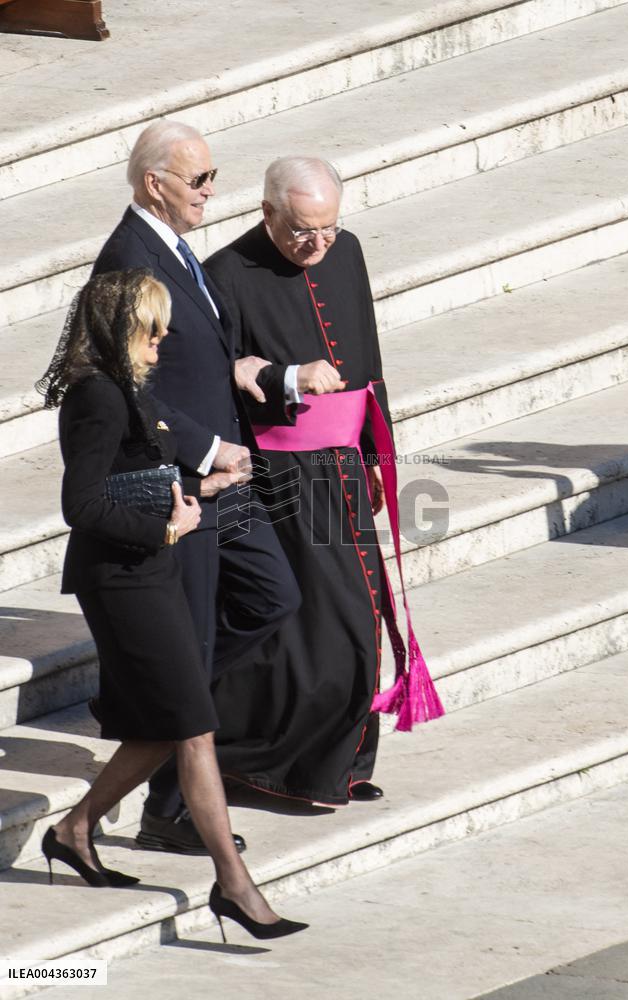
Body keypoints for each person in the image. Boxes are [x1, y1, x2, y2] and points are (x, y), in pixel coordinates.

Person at [35, 269, 307, 940]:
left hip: (149, 573)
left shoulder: (127, 390)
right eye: (151, 330)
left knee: (162, 726)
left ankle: (74, 830)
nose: (161, 343)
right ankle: (234, 887)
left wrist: (200, 487)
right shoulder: (97, 396)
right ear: (121, 330)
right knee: (192, 726)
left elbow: (137, 478)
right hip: (122, 580)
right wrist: (163, 527)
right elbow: (84, 503)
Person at [92, 121, 301, 854]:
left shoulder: (173, 248)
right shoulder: (127, 257)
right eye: (200, 179)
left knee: (273, 595)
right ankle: (169, 806)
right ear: (156, 183)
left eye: (213, 176)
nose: (212, 192)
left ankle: (153, 711)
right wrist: (207, 445)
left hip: (223, 477)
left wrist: (243, 374)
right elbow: (126, 383)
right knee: (201, 632)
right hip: (182, 481)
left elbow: (193, 354)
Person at [203, 157, 398, 807]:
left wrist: (375, 451)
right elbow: (208, 374)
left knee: (359, 615)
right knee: (327, 625)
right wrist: (283, 377)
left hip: (343, 462)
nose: (317, 244)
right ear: (267, 213)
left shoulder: (348, 254)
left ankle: (339, 764)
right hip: (282, 474)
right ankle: (266, 760)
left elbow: (366, 358)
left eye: (328, 229)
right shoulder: (226, 273)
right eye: (302, 231)